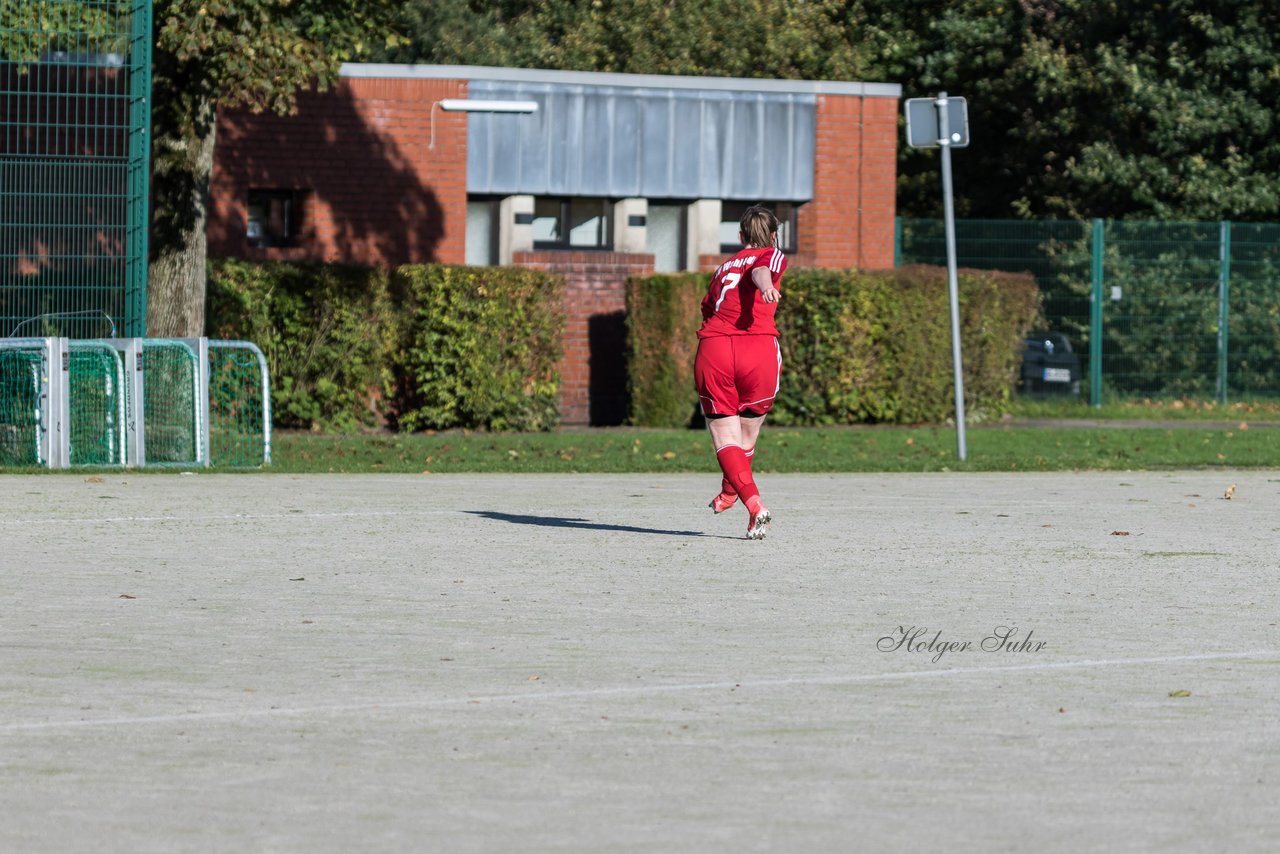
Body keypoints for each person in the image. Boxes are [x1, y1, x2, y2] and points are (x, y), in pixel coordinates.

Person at [693, 205, 786, 539]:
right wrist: (764, 286)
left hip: (715, 349)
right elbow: (762, 270)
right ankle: (753, 504)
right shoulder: (772, 254)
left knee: (727, 438)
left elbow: (708, 307)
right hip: (756, 349)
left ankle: (738, 495)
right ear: (774, 235)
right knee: (746, 436)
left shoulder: (723, 267)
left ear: (740, 236)